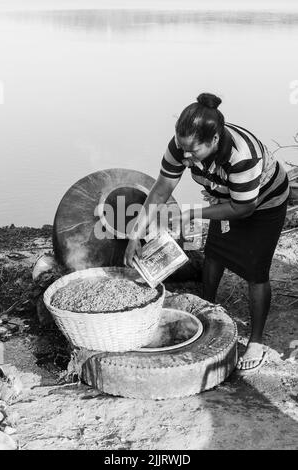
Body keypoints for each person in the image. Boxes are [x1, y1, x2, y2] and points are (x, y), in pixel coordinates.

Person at [124, 92, 289, 373]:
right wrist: (135, 235)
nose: (185, 157)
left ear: (214, 140)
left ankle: (257, 339)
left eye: (193, 152)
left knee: (255, 269)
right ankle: (207, 306)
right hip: (226, 198)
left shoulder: (241, 157)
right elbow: (161, 189)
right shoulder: (181, 146)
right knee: (214, 254)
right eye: (181, 148)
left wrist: (192, 214)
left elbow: (243, 209)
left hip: (263, 203)